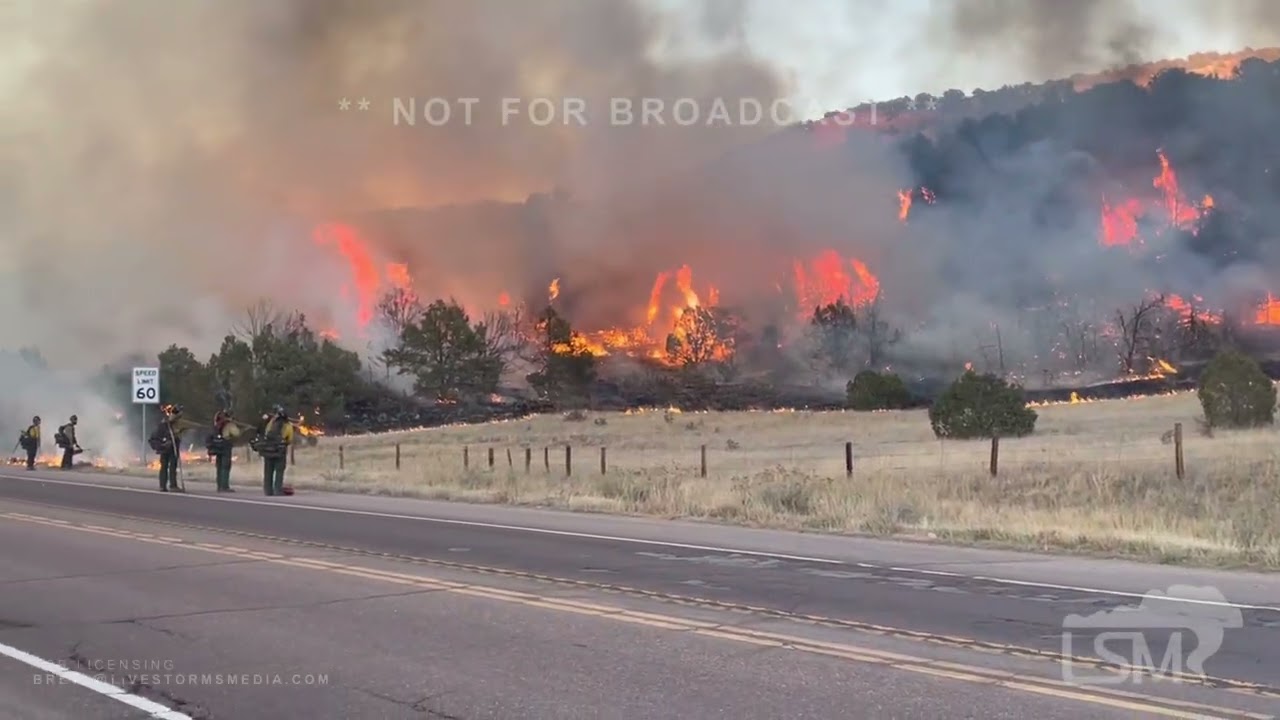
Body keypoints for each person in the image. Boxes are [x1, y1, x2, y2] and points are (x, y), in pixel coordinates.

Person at [149, 404, 198, 492]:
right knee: (168, 466)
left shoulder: (171, 422)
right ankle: (169, 485)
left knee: (169, 466)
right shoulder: (167, 423)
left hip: (171, 446)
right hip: (168, 447)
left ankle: (166, 485)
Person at [253, 405, 294, 496]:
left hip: (268, 450)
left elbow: (266, 433)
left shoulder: (271, 423)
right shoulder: (288, 425)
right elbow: (290, 439)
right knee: (279, 471)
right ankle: (277, 490)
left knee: (268, 471)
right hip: (279, 451)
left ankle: (268, 490)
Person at [206, 408, 237, 492]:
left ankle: (219, 486)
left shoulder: (216, 424)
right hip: (225, 447)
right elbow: (236, 433)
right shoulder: (229, 424)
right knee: (225, 467)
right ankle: (224, 486)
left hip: (217, 447)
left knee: (219, 466)